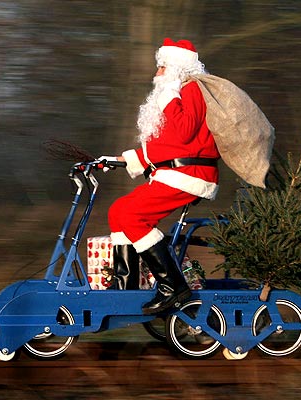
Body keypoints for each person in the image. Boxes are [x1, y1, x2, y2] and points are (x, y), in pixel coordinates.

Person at [99, 38, 220, 315]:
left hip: (190, 173)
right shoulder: (178, 96)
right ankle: (125, 285)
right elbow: (167, 147)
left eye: (162, 67)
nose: (157, 74)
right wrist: (122, 160)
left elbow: (185, 132)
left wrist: (169, 99)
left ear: (177, 68)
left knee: (132, 215)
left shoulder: (192, 90)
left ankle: (173, 286)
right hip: (172, 171)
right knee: (118, 211)